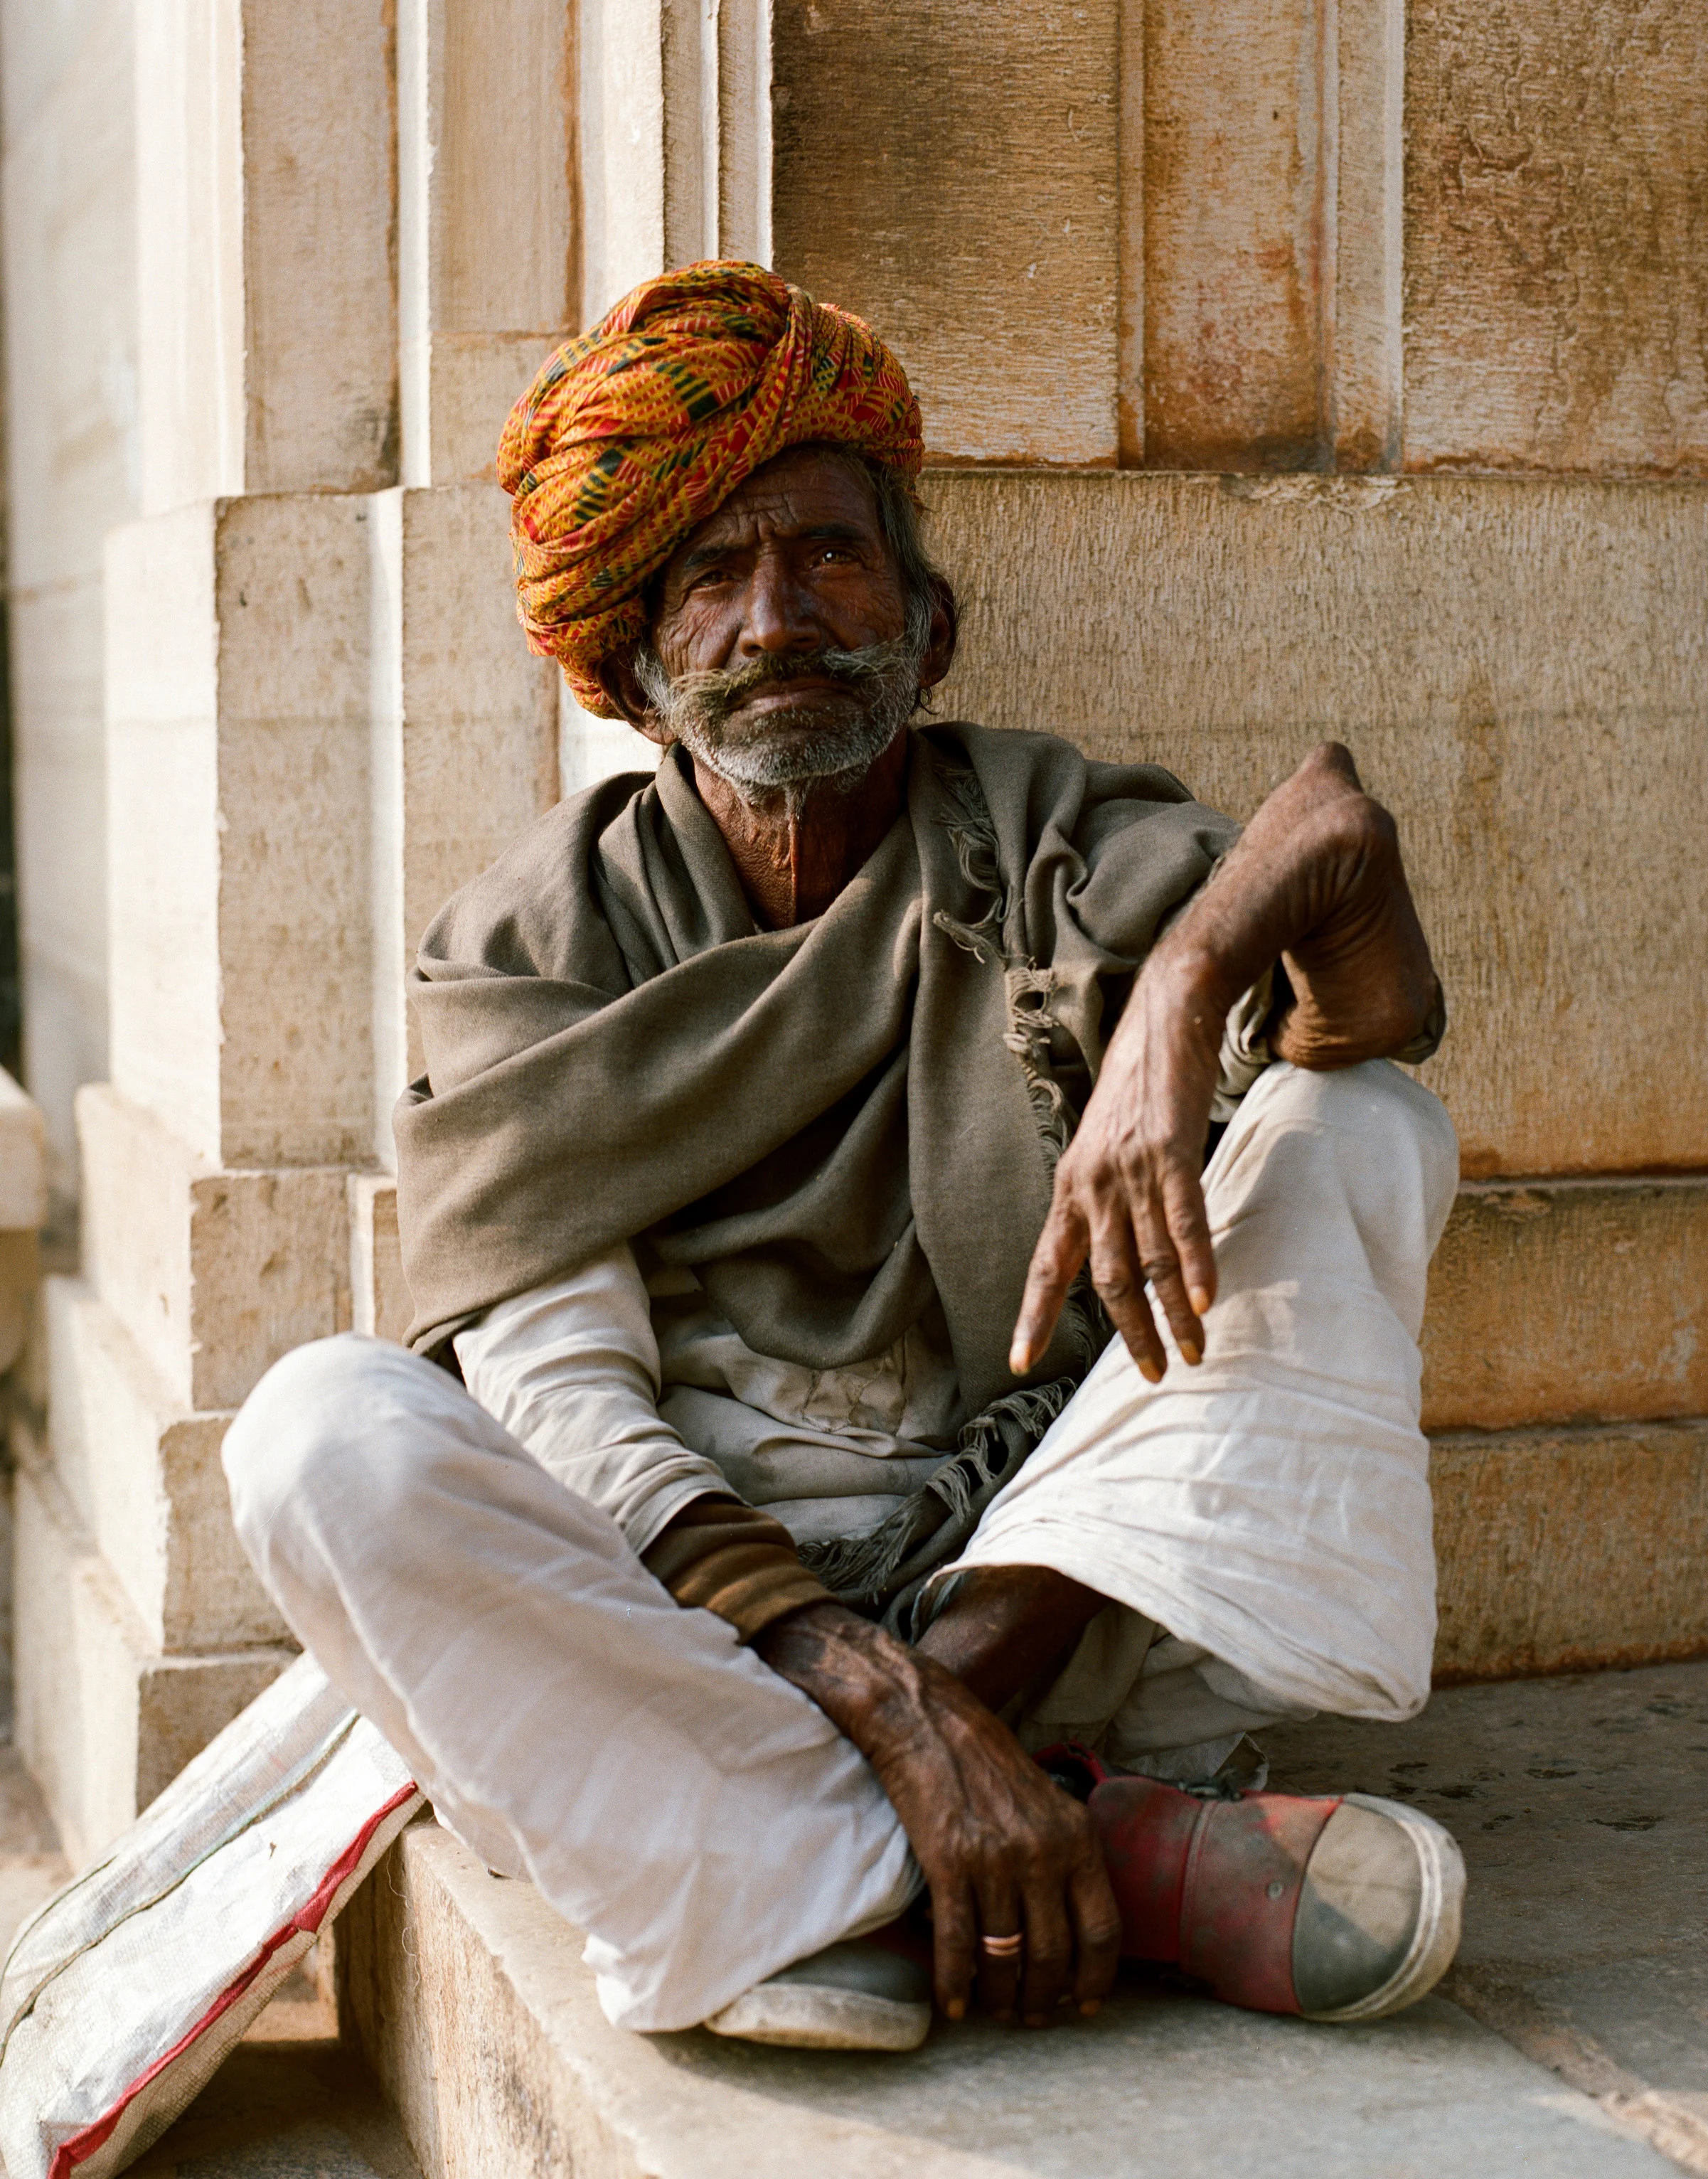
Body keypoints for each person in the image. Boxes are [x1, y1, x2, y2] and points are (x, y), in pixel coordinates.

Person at [223, 260, 1466, 2053]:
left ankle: (794, 1870)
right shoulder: (526, 944)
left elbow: (1349, 883)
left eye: (826, 556)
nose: (773, 616)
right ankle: (1087, 1838)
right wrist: (895, 1705)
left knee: (1361, 1119)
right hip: (691, 1616)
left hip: (1053, 1564)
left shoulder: (1052, 839)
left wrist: (1190, 981)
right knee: (314, 1435)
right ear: (638, 670)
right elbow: (564, 1396)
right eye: (709, 575)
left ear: (927, 624)